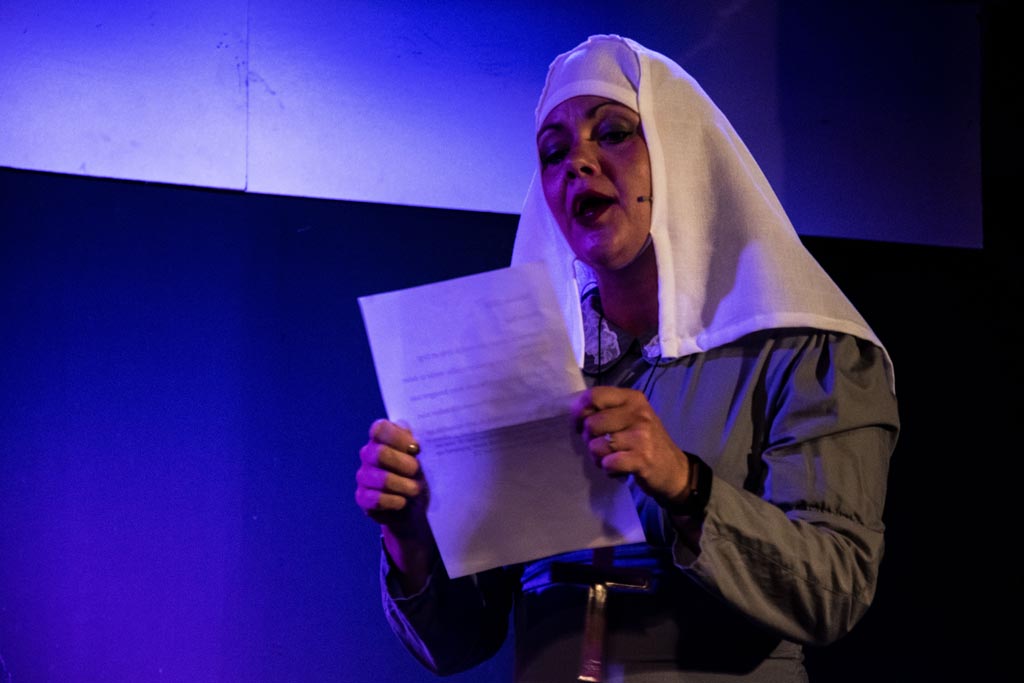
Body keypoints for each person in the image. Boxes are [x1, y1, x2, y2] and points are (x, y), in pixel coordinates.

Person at [355, 34, 898, 682]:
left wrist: (687, 486)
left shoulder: (803, 350)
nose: (577, 163)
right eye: (553, 152)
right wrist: (412, 537)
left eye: (612, 133)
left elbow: (835, 589)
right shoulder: (526, 367)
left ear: (678, 154)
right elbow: (459, 643)